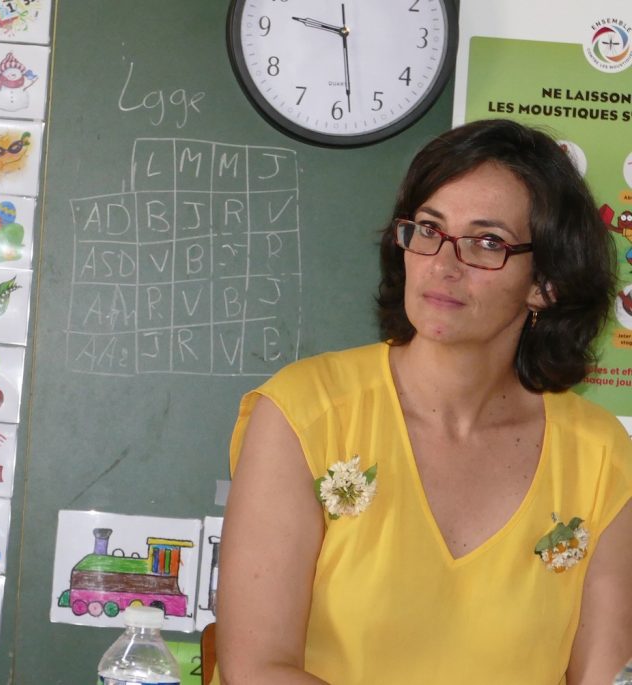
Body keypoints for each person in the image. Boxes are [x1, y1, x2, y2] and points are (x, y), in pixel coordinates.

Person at [216, 119, 632, 684]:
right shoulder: (305, 412)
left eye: (487, 242)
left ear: (545, 284)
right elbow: (256, 669)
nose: (443, 264)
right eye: (429, 229)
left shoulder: (600, 457)